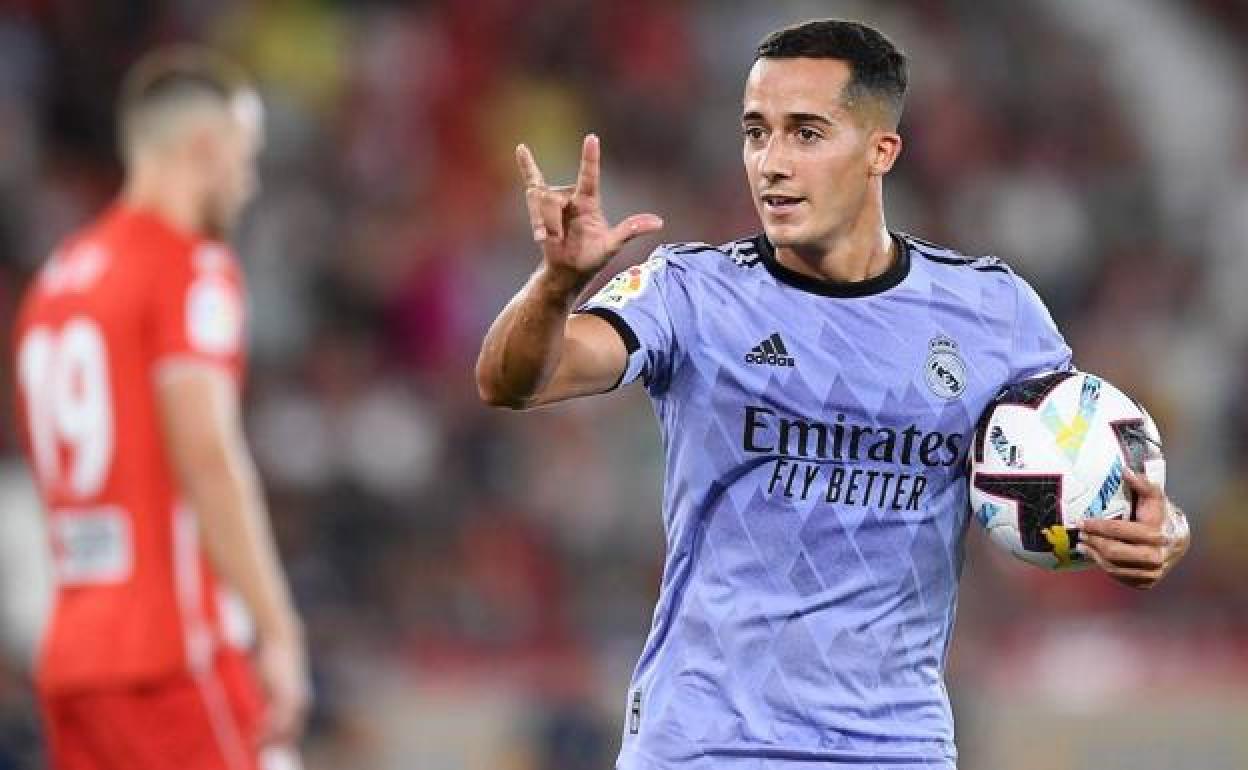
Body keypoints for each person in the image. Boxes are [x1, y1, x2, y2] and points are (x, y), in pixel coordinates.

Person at [477, 18, 1190, 770]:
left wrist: (1163, 531)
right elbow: (513, 380)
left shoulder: (992, 314)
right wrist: (557, 285)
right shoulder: (691, 292)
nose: (772, 164)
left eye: (806, 134)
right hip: (706, 745)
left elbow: (1088, 460)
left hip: (896, 748)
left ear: (881, 150)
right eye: (757, 133)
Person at [12, 47, 308, 770]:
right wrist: (278, 630)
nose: (248, 183)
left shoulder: (55, 283)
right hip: (171, 652)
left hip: (73, 661)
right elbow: (206, 453)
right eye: (245, 157)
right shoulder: (189, 266)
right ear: (205, 147)